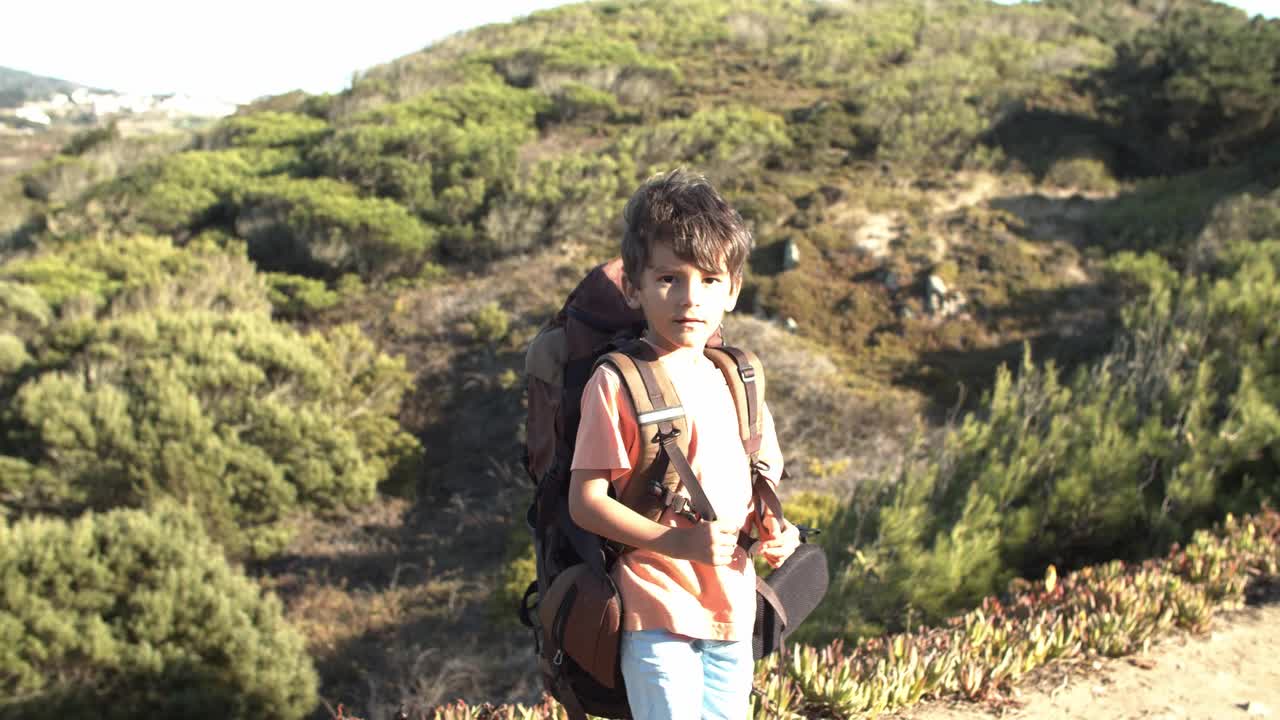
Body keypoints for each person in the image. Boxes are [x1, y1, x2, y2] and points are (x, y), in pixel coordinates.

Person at [568, 168, 801, 720]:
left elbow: (757, 485)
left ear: (734, 289)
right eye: (669, 279)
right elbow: (586, 502)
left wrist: (773, 530)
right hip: (656, 605)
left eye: (710, 280)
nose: (690, 298)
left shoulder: (739, 378)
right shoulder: (619, 382)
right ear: (634, 286)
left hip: (731, 609)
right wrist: (677, 546)